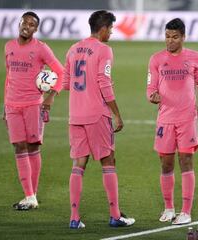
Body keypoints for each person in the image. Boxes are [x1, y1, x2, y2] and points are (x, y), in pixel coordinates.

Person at [63, 10, 135, 229]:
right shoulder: (104, 50)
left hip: (75, 115)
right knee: (108, 162)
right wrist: (116, 114)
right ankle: (115, 215)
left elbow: (66, 82)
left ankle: (74, 218)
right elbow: (104, 83)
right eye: (111, 28)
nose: (112, 33)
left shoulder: (73, 49)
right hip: (97, 115)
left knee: (78, 165)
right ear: (103, 28)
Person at [146, 18, 198, 225]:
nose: (170, 41)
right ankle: (169, 208)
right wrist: (152, 96)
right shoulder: (156, 59)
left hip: (187, 118)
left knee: (186, 161)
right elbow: (150, 88)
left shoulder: (194, 57)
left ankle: (186, 211)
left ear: (183, 37)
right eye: (167, 36)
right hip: (165, 118)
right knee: (166, 163)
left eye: (174, 37)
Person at [4, 11, 64, 210]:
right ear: (19, 23)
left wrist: (51, 95)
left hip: (33, 104)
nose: (26, 26)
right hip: (12, 105)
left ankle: (33, 195)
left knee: (32, 147)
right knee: (18, 147)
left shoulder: (41, 49)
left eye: (31, 24)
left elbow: (61, 72)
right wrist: (5, 104)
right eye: (24, 22)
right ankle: (29, 196)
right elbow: (9, 76)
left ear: (36, 29)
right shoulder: (9, 47)